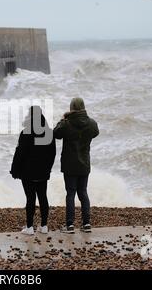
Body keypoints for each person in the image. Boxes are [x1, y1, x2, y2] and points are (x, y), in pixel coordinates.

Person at [54, 98, 99, 233]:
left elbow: (56, 133)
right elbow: (96, 132)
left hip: (69, 164)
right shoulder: (91, 123)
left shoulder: (66, 124)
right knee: (83, 192)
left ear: (71, 108)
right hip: (84, 163)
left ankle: (70, 225)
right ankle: (86, 223)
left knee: (71, 193)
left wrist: (63, 119)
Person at [10, 106, 56, 235]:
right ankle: (44, 226)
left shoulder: (26, 132)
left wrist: (14, 170)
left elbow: (19, 153)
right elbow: (53, 154)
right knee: (43, 197)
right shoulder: (49, 133)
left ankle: (29, 227)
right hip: (43, 172)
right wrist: (48, 169)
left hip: (28, 172)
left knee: (30, 198)